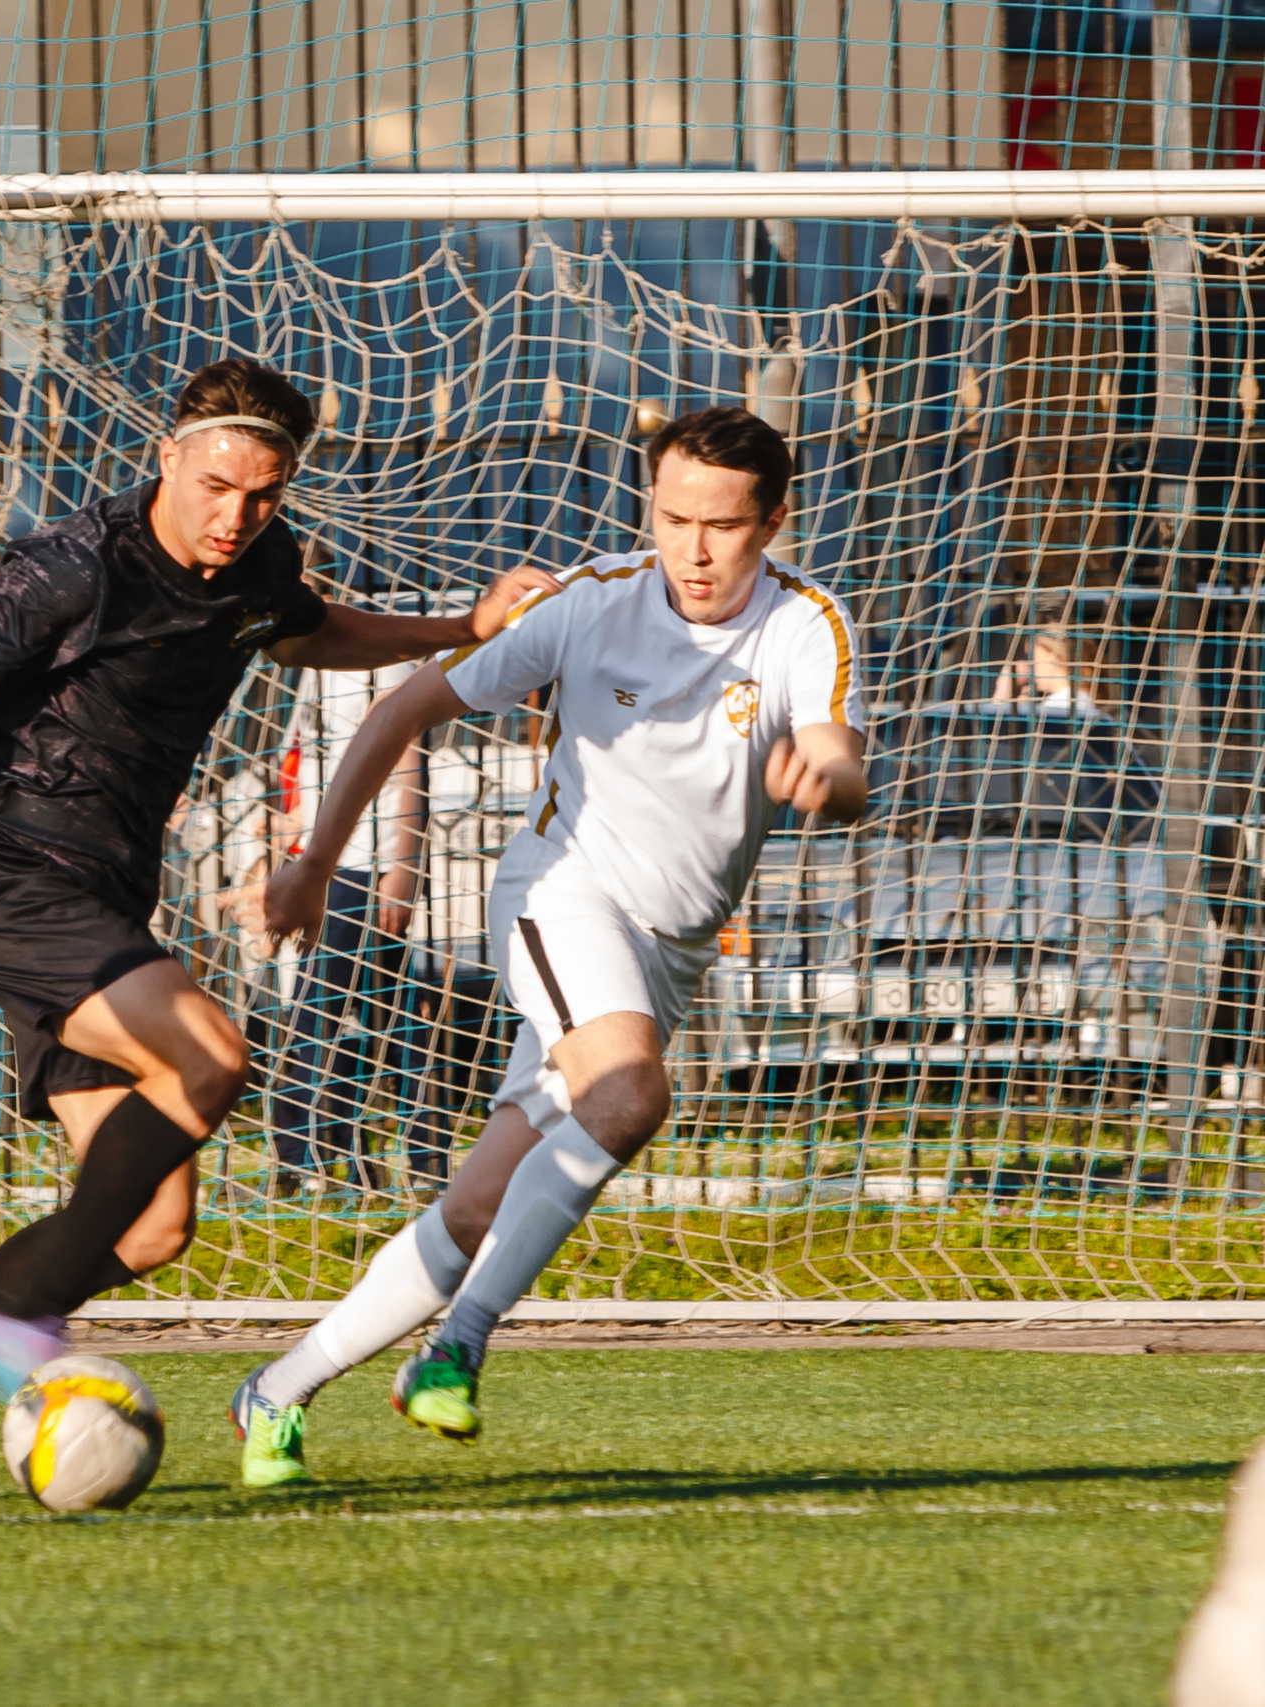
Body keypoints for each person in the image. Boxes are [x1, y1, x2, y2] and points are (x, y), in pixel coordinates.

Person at [0, 357, 557, 1502]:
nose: (234, 516)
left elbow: (306, 628)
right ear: (167, 457)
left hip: (111, 901)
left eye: (262, 494)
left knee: (151, 1224)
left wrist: (460, 626)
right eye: (215, 484)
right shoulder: (71, 565)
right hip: (18, 883)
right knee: (211, 1057)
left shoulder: (260, 560)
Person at [229, 405, 869, 1488]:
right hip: (559, 893)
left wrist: (829, 785)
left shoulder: (807, 624)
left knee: (481, 1203)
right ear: (649, 509)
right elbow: (401, 711)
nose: (695, 550)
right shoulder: (589, 605)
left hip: (667, 953)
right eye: (673, 519)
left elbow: (836, 757)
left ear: (772, 524)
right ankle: (457, 1349)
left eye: (724, 526)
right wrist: (310, 858)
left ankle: (275, 1390)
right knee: (629, 1096)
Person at [258, 655, 424, 1195]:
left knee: (329, 1016)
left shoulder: (379, 664)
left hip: (361, 869)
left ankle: (306, 1160)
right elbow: (315, 782)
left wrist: (404, 865)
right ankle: (356, 1163)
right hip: (322, 865)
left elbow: (407, 761)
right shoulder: (308, 670)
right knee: (370, 1019)